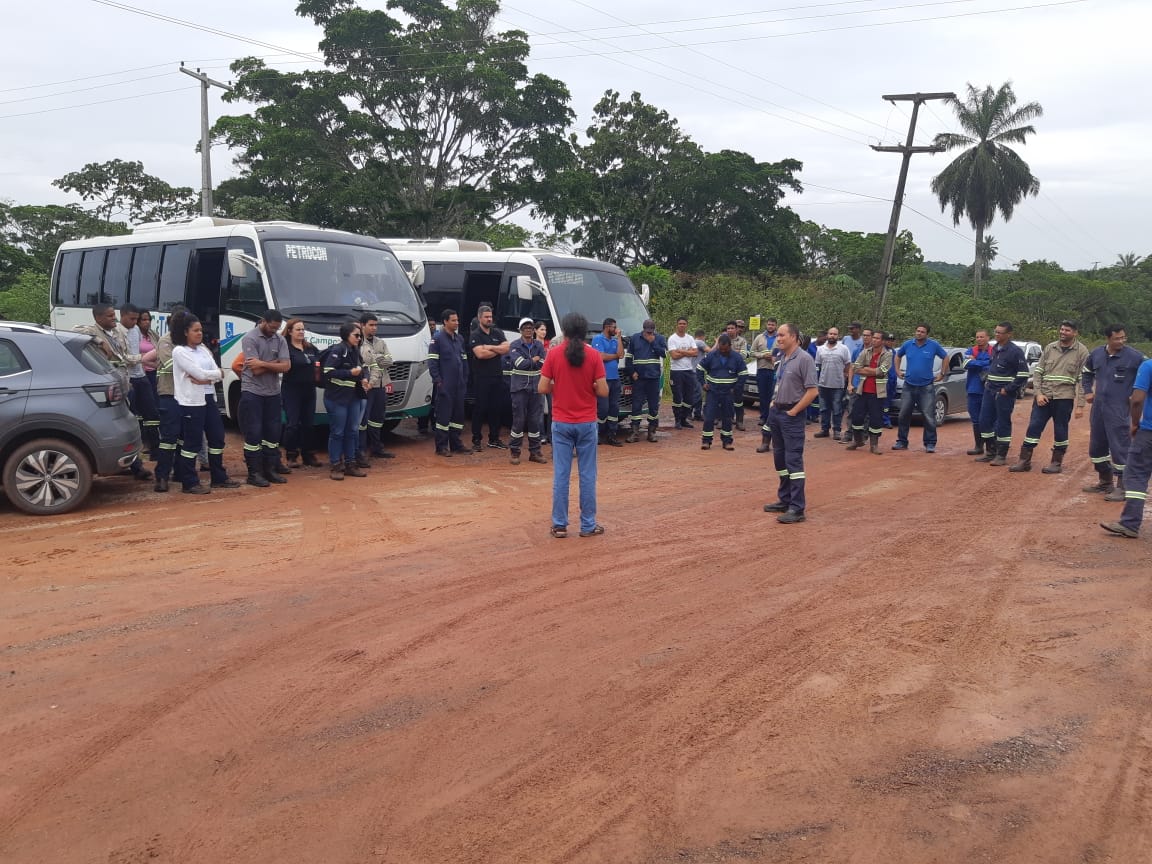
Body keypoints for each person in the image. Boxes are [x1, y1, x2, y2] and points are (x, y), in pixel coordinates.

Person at [539, 312, 608, 539]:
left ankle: (559, 525)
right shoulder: (594, 355)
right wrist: (590, 387)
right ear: (584, 331)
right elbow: (603, 391)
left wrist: (558, 386)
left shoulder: (553, 354)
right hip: (586, 422)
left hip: (561, 422)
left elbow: (542, 387)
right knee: (587, 475)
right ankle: (588, 525)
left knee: (561, 475)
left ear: (565, 331)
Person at [170, 315, 240, 495]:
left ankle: (219, 477)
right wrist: (211, 376)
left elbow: (218, 372)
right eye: (195, 330)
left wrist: (209, 377)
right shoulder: (180, 351)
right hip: (191, 401)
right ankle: (189, 482)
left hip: (209, 398)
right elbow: (201, 374)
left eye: (200, 330)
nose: (200, 333)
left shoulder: (202, 349)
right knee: (192, 442)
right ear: (185, 332)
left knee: (217, 437)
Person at [1009, 320, 1090, 474]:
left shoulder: (1082, 352)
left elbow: (1082, 380)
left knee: (1061, 430)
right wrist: (1038, 393)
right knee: (1034, 426)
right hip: (1043, 397)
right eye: (1062, 329)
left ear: (1075, 333)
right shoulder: (1050, 347)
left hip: (1064, 398)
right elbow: (1038, 373)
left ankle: (1056, 463)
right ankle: (1024, 461)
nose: (1063, 332)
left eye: (1067, 330)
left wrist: (1080, 405)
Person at [762, 323, 819, 524]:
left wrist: (794, 411)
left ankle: (797, 507)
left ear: (794, 337)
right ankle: (784, 499)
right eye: (777, 335)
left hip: (792, 416)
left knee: (793, 461)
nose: (778, 338)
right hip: (777, 413)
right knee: (780, 460)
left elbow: (812, 391)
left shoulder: (804, 359)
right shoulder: (783, 358)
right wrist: (773, 402)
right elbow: (780, 383)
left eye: (782, 335)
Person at [1082, 325, 1145, 499]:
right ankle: (1105, 482)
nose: (1121, 341)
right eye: (1117, 338)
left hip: (1119, 409)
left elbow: (1148, 373)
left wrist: (1139, 394)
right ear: (1108, 338)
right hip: (1098, 408)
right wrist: (1087, 390)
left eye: (1123, 337)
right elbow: (1086, 373)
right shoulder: (1096, 354)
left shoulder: (1135, 357)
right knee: (1096, 447)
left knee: (1120, 447)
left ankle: (1123, 487)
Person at [237, 309, 291, 487]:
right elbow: (255, 370)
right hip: (253, 392)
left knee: (272, 434)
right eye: (271, 327)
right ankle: (254, 473)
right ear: (263, 321)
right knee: (254, 433)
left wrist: (263, 363)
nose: (273, 331)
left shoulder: (280, 339)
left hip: (273, 393)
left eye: (276, 328)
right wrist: (275, 363)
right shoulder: (250, 338)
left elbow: (286, 366)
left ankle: (270, 470)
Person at [1101, 355, 1152, 539]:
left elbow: (1137, 400)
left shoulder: (1148, 366)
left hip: (1149, 432)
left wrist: (1135, 423)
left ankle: (1130, 524)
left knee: (1136, 475)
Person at [974, 322, 1031, 466]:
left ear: (1009, 334)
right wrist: (987, 380)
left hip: (1004, 393)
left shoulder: (1015, 351)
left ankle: (1001, 454)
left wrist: (1009, 389)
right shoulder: (995, 348)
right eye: (996, 332)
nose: (997, 334)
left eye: (1000, 332)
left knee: (1002, 422)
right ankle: (990, 451)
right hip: (989, 390)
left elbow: (1023, 374)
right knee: (984, 420)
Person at [322, 321, 368, 480]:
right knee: (338, 432)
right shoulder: (338, 350)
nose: (359, 338)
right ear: (347, 335)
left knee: (352, 431)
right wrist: (349, 373)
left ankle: (350, 464)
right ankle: (335, 465)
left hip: (353, 397)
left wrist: (364, 378)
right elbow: (328, 372)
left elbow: (362, 368)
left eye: (360, 335)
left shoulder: (355, 350)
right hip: (337, 398)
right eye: (356, 335)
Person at [892, 323, 947, 452]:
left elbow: (945, 357)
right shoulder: (907, 344)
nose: (919, 333)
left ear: (927, 334)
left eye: (922, 332)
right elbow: (898, 356)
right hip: (909, 385)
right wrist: (897, 371)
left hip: (926, 386)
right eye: (917, 331)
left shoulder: (933, 345)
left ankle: (930, 443)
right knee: (903, 414)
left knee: (928, 416)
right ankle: (902, 441)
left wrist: (942, 373)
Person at [118, 303, 161, 466]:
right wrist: (141, 358)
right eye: (132, 319)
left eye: (136, 319)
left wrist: (142, 359)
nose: (134, 322)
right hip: (128, 378)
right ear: (122, 316)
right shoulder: (117, 332)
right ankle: (134, 457)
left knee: (152, 413)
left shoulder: (136, 330)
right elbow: (122, 357)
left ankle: (155, 450)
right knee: (132, 416)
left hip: (141, 375)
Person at [281, 318, 322, 468]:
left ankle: (309, 455)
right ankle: (291, 455)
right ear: (290, 331)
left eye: (303, 329)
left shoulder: (310, 348)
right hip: (291, 390)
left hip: (309, 390)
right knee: (292, 424)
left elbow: (321, 360)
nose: (301, 332)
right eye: (298, 329)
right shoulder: (285, 348)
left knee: (309, 424)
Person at [469, 304, 510, 451]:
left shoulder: (497, 332)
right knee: (480, 409)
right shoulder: (475, 335)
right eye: (486, 317)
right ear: (479, 318)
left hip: (497, 376)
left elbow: (507, 348)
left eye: (490, 316)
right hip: (482, 377)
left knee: (496, 408)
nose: (489, 319)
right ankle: (476, 440)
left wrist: (490, 347)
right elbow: (480, 354)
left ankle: (494, 439)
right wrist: (497, 349)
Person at [429, 309, 469, 457]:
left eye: (457, 320)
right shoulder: (437, 339)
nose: (457, 323)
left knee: (458, 416)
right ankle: (441, 447)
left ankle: (456, 444)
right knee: (443, 417)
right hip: (445, 385)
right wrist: (438, 381)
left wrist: (465, 379)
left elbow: (464, 360)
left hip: (459, 385)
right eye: (453, 320)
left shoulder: (459, 339)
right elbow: (432, 363)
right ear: (445, 321)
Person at [507, 317, 547, 465]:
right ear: (520, 330)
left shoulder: (539, 345)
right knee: (519, 420)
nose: (528, 330)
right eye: (525, 328)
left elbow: (543, 362)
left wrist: (532, 361)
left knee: (535, 421)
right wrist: (534, 360)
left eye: (530, 327)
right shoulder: (514, 345)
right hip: (519, 388)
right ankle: (515, 452)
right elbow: (519, 364)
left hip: (536, 388)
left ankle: (535, 452)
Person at [846, 329, 892, 454]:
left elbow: (882, 371)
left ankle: (874, 445)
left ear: (883, 341)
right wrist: (872, 370)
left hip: (877, 392)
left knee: (876, 419)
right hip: (862, 390)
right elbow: (856, 368)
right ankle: (857, 440)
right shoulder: (865, 352)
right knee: (856, 416)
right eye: (874, 338)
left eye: (877, 338)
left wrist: (866, 369)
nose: (874, 340)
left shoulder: (888, 355)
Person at [358, 312, 396, 463]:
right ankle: (360, 451)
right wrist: (379, 358)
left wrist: (374, 358)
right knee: (362, 419)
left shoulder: (381, 342)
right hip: (367, 386)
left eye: (376, 325)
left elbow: (390, 361)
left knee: (377, 418)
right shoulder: (359, 342)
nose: (374, 328)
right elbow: (365, 361)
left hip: (381, 385)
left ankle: (376, 448)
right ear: (362, 325)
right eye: (371, 325)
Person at [699, 333, 747, 450]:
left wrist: (736, 388)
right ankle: (706, 441)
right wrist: (703, 383)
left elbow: (743, 374)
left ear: (730, 346)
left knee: (727, 417)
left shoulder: (737, 357)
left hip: (728, 393)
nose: (723, 351)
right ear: (718, 346)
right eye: (721, 349)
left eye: (725, 349)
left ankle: (727, 441)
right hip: (713, 391)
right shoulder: (711, 355)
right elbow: (699, 369)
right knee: (709, 416)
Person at [625, 318, 667, 443]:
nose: (649, 333)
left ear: (654, 330)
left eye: (651, 331)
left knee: (653, 406)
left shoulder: (660, 338)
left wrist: (653, 342)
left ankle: (652, 432)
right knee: (636, 405)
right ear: (643, 329)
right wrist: (632, 372)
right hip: (639, 378)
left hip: (653, 378)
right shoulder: (635, 338)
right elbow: (628, 358)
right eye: (647, 331)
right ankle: (635, 432)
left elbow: (664, 354)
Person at [591, 317, 626, 445]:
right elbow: (600, 356)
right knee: (603, 408)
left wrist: (619, 338)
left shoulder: (615, 340)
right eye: (614, 327)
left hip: (615, 379)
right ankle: (599, 433)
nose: (616, 329)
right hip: (603, 379)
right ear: (607, 327)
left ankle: (612, 434)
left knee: (614, 408)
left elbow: (621, 354)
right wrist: (615, 356)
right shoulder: (598, 339)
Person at [813, 326, 852, 441]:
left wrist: (845, 376)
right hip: (823, 384)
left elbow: (848, 364)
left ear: (838, 336)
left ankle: (837, 431)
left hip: (838, 385)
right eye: (830, 334)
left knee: (837, 409)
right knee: (824, 409)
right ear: (827, 335)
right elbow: (818, 365)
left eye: (835, 334)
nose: (832, 336)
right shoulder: (820, 349)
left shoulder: (843, 348)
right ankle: (824, 430)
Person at [963, 330, 993, 454]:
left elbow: (994, 365)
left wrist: (975, 362)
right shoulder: (971, 350)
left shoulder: (994, 351)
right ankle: (978, 447)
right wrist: (985, 363)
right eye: (977, 337)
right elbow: (965, 364)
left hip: (988, 391)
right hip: (973, 390)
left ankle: (991, 448)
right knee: (975, 420)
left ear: (988, 338)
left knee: (989, 419)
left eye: (982, 337)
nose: (979, 339)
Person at [750, 318, 778, 453]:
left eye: (773, 324)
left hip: (774, 370)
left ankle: (770, 417)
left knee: (772, 395)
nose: (770, 326)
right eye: (769, 324)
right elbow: (751, 352)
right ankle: (763, 417)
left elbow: (783, 352)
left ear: (776, 326)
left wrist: (773, 357)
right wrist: (762, 355)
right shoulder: (759, 338)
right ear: (766, 325)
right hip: (761, 369)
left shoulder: (780, 338)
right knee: (762, 395)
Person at [667, 316, 699, 430]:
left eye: (684, 323)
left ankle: (684, 419)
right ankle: (677, 420)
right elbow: (674, 356)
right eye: (680, 323)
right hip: (676, 371)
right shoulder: (672, 339)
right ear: (677, 325)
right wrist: (688, 352)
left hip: (688, 371)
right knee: (677, 397)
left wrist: (681, 351)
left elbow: (695, 353)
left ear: (687, 325)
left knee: (689, 397)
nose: (682, 325)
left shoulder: (690, 338)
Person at [732, 319, 751, 431]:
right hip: (727, 371)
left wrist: (731, 351)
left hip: (739, 371)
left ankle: (739, 421)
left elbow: (744, 355)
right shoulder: (725, 338)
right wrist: (736, 351)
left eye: (741, 327)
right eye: (738, 326)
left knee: (738, 397)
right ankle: (724, 419)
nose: (739, 329)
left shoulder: (743, 341)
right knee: (725, 397)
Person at [536, 321, 553, 444]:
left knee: (552, 408)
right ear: (535, 330)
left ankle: (550, 435)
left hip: (550, 379)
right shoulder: (533, 344)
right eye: (541, 329)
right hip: (538, 378)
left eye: (545, 330)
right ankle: (541, 435)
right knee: (540, 408)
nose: (544, 332)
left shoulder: (549, 344)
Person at [691, 328, 709, 421]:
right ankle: (688, 412)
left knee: (697, 392)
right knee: (698, 393)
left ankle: (697, 413)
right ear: (702, 336)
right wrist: (717, 343)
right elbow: (710, 351)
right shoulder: (700, 342)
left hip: (694, 370)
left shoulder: (693, 342)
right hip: (696, 371)